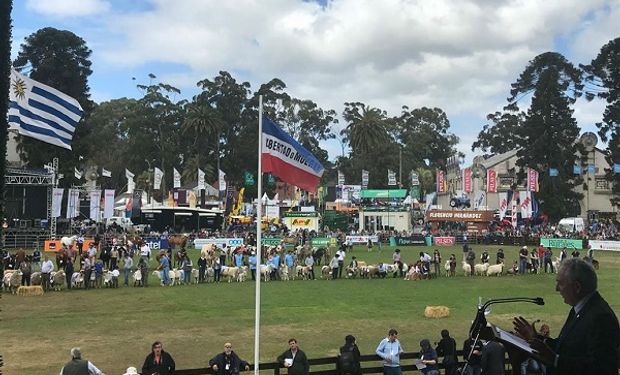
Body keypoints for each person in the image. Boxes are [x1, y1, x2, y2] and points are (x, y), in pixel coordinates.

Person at [513, 258, 620, 374]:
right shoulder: (580, 309)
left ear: (577, 287)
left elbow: (602, 369)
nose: (557, 289)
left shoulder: (601, 318)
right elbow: (564, 347)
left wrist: (555, 360)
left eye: (561, 283)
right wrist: (537, 338)